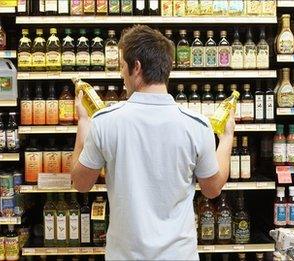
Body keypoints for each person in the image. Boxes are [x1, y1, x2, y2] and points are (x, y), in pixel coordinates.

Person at [71, 25, 235, 260]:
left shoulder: (105, 122)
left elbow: (80, 183)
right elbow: (212, 189)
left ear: (136, 67)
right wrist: (227, 137)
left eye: (122, 66)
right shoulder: (197, 125)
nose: (121, 74)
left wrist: (83, 123)